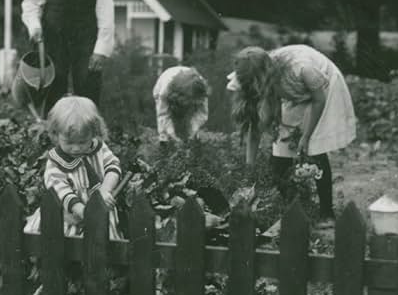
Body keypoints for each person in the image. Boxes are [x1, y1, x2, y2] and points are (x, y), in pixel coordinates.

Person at [229, 44, 356, 220]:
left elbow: (318, 100)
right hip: (290, 89)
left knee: (314, 148)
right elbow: (256, 127)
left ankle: (327, 213)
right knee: (281, 147)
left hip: (323, 89)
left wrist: (306, 136)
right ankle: (291, 208)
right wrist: (249, 167)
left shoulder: (303, 69)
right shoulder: (252, 73)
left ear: (264, 76)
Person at [24, 96, 123, 240]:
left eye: (82, 141)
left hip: (100, 209)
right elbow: (62, 192)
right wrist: (84, 212)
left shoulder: (99, 149)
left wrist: (105, 190)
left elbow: (113, 167)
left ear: (94, 132)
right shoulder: (55, 162)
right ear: (56, 134)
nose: (76, 148)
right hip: (69, 216)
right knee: (64, 247)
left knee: (100, 245)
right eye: (69, 142)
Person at [153, 65, 210, 143]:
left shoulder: (201, 88)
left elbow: (202, 114)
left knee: (190, 127)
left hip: (184, 90)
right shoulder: (164, 92)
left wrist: (192, 131)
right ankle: (163, 141)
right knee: (165, 131)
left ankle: (194, 140)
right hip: (164, 83)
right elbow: (163, 115)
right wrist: (172, 135)